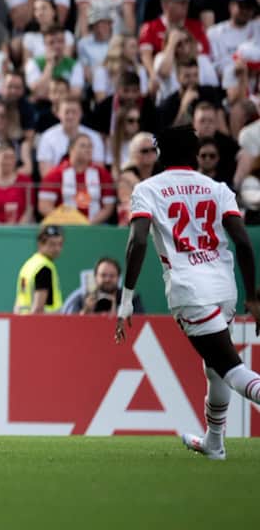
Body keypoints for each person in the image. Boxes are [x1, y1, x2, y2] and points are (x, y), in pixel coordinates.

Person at [116, 124, 260, 461]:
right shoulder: (218, 188)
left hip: (189, 290)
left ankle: (215, 443)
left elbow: (137, 241)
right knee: (215, 366)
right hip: (225, 288)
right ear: (196, 154)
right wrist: (252, 297)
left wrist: (126, 301)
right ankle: (214, 443)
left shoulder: (148, 189)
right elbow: (242, 240)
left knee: (229, 366)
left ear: (161, 154)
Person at [38, 133, 116, 225]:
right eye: (83, 146)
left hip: (96, 227)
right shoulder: (54, 175)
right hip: (64, 228)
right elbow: (44, 206)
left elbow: (108, 207)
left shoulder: (103, 174)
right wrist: (69, 222)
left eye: (90, 146)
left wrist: (89, 224)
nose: (88, 149)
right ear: (71, 149)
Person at [62, 257, 143, 314]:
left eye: (112, 276)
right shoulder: (82, 298)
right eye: (103, 275)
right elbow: (71, 326)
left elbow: (139, 323)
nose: (107, 279)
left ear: (118, 277)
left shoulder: (130, 299)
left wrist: (118, 315)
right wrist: (86, 312)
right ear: (95, 277)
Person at [13, 224, 64, 314]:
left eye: (60, 244)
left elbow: (18, 303)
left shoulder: (29, 265)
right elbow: (38, 308)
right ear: (40, 244)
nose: (57, 249)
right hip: (43, 324)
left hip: (22, 322)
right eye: (52, 244)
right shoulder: (44, 268)